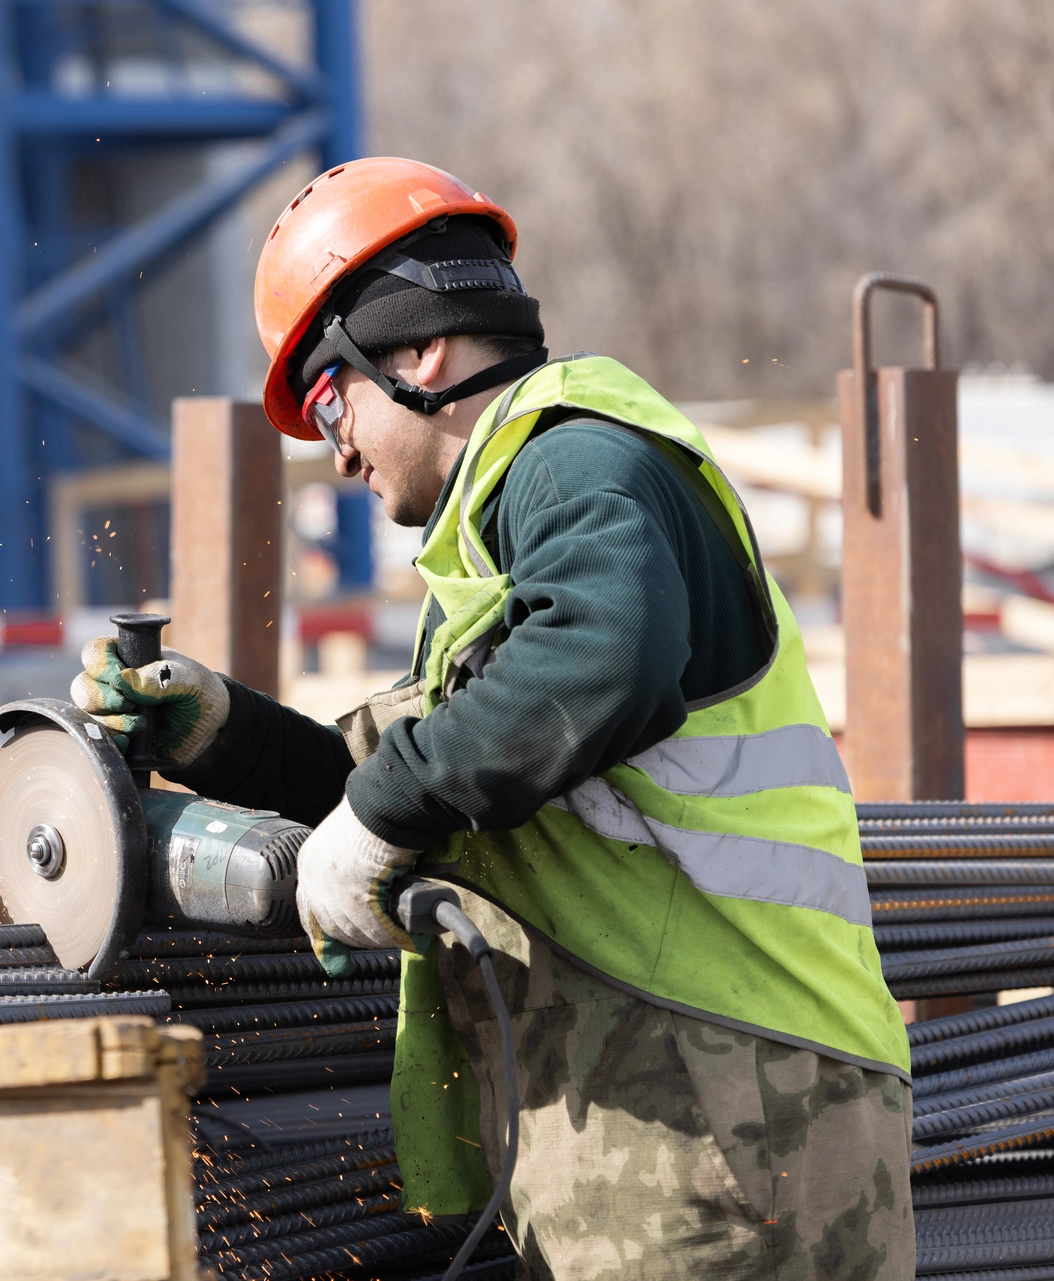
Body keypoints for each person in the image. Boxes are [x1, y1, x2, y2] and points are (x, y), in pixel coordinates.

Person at [71, 158, 913, 1278]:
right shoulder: (511, 529)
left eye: (330, 399)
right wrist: (219, 732)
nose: (337, 448)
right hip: (690, 1098)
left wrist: (379, 810)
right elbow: (456, 788)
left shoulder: (574, 459)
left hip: (728, 1106)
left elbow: (599, 661)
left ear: (419, 351)